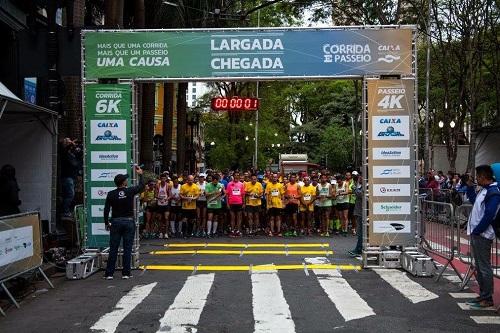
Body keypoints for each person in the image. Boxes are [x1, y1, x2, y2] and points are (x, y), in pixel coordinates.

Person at [465, 165, 500, 308]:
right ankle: (483, 295)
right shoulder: (484, 190)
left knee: (484, 267)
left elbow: (489, 214)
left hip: (483, 235)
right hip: (477, 233)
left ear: (484, 177)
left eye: (478, 176)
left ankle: (487, 298)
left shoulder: (493, 192)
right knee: (479, 266)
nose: (476, 179)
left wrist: (478, 230)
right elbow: (475, 202)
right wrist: (469, 188)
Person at [103, 166, 144, 280]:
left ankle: (109, 273)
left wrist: (106, 223)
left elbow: (106, 210)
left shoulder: (111, 194)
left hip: (115, 222)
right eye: (125, 179)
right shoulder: (129, 191)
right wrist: (141, 174)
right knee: (127, 248)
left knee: (113, 248)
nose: (127, 180)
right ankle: (126, 273)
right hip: (128, 222)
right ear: (123, 182)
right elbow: (141, 187)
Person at [60, 138, 80, 217]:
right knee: (70, 195)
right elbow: (66, 148)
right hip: (67, 177)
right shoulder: (64, 152)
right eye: (68, 142)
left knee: (68, 195)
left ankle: (66, 210)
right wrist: (72, 143)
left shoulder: (70, 153)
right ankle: (65, 211)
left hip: (72, 177)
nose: (71, 143)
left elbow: (78, 156)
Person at [226, 172, 245, 237]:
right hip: (231, 203)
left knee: (239, 218)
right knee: (232, 218)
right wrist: (227, 203)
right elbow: (227, 194)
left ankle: (238, 230)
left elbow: (243, 195)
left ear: (239, 176)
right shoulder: (229, 184)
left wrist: (244, 203)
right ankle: (232, 230)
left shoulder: (241, 184)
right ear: (233, 176)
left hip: (239, 203)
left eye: (238, 175)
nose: (236, 176)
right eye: (235, 175)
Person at [349, 173, 364, 256]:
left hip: (363, 212)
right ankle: (358, 249)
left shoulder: (365, 186)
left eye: (360, 177)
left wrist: (354, 188)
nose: (359, 179)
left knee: (361, 232)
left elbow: (360, 194)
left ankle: (358, 249)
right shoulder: (360, 186)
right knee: (360, 232)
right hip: (359, 211)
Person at [155, 173, 170, 239]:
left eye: (164, 178)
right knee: (160, 219)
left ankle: (166, 233)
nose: (163, 180)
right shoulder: (158, 185)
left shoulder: (168, 185)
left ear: (166, 179)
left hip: (166, 204)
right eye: (162, 178)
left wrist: (167, 199)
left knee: (166, 218)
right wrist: (159, 198)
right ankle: (161, 232)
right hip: (159, 204)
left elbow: (170, 195)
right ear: (160, 179)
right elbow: (155, 195)